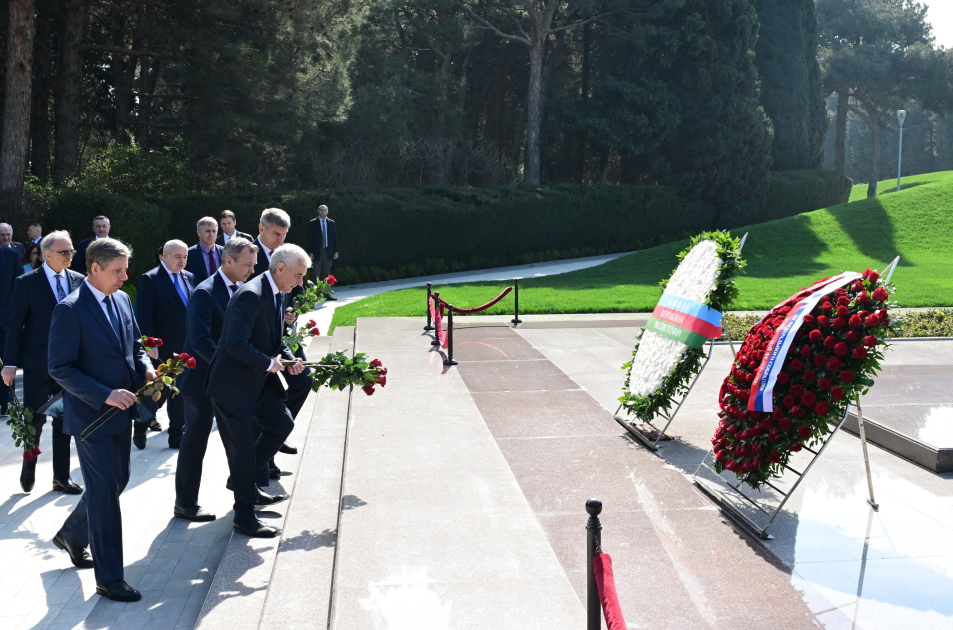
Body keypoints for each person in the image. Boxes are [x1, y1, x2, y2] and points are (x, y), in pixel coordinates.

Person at [49, 238, 157, 602]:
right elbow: (59, 367)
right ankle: (109, 578)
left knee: (116, 480)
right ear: (94, 268)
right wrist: (104, 394)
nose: (125, 277)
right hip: (92, 417)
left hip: (122, 411)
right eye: (118, 270)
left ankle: (71, 534)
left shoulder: (122, 299)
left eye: (125, 269)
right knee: (105, 495)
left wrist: (146, 369)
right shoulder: (70, 309)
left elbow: (135, 345)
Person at [206, 244, 309, 538]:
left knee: (282, 424)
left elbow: (272, 338)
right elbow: (235, 344)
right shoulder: (250, 295)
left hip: (257, 380)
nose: (300, 282)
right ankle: (244, 517)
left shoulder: (278, 291)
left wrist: (287, 360)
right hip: (232, 387)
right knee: (242, 451)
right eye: (298, 275)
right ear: (280, 269)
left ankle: (244, 480)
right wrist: (269, 363)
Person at [174, 237, 258, 522]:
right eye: (247, 265)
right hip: (201, 382)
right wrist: (231, 367)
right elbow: (200, 341)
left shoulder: (243, 289)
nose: (251, 271)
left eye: (254, 265)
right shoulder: (205, 292)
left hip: (226, 380)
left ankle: (248, 490)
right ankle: (185, 503)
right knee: (195, 441)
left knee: (237, 439)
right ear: (229, 261)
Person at [3, 231, 84, 494]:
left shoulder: (80, 281)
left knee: (64, 421)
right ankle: (29, 467)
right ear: (47, 254)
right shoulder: (27, 283)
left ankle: (61, 477)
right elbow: (15, 326)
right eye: (65, 252)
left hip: (70, 365)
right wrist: (10, 363)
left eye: (72, 251)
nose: (70, 256)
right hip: (38, 363)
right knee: (34, 421)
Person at [250, 208, 309, 476]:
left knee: (303, 379)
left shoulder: (288, 255)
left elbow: (297, 289)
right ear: (261, 229)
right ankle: (266, 453)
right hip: (259, 336)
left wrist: (291, 309)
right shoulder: (248, 255)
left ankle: (276, 434)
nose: (280, 239)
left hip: (283, 330)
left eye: (284, 235)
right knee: (266, 397)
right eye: (276, 234)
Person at [135, 240, 193, 449]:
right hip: (162, 346)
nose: (182, 261)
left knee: (180, 391)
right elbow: (144, 314)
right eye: (177, 257)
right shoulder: (150, 279)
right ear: (164, 256)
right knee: (159, 391)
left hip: (185, 344)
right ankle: (141, 423)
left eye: (185, 257)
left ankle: (176, 434)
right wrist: (149, 344)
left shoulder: (189, 277)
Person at [0, 241, 23, 415]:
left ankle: (7, 401)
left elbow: (19, 286)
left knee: (6, 360)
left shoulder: (10, 255)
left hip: (4, 317)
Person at [306, 205, 338, 296]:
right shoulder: (313, 223)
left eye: (325, 210)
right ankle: (312, 296)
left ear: (327, 211)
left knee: (327, 275)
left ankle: (327, 294)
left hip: (328, 252)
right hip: (317, 252)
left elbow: (335, 238)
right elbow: (309, 239)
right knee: (315, 274)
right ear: (318, 211)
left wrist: (336, 251)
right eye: (321, 210)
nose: (323, 212)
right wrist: (310, 252)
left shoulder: (331, 223)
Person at [186, 217, 224, 284]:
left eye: (214, 231)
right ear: (198, 232)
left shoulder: (225, 252)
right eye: (207, 231)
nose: (211, 234)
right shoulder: (189, 254)